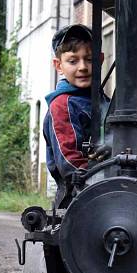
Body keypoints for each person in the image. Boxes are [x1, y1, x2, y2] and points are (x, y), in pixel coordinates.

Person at [43, 24, 102, 205]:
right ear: (58, 65)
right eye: (73, 61)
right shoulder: (62, 105)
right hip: (76, 197)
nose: (83, 67)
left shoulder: (102, 100)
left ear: (100, 60)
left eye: (90, 59)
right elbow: (70, 161)